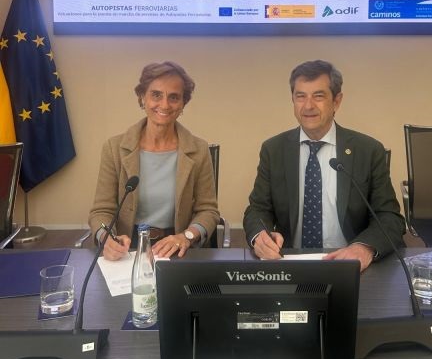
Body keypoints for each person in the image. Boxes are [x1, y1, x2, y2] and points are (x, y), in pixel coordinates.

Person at [243, 59, 405, 271]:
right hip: (291, 262)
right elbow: (257, 209)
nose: (308, 106)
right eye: (300, 96)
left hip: (350, 265)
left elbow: (389, 217)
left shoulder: (368, 150)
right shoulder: (273, 150)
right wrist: (260, 236)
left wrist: (363, 248)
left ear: (336, 101)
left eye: (318, 96)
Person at [89, 61, 220, 261]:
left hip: (178, 246)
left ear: (183, 104)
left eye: (174, 97)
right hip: (128, 246)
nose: (165, 105)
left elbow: (208, 210)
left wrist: (186, 236)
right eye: (156, 95)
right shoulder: (114, 148)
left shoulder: (199, 149)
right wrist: (106, 238)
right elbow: (101, 210)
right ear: (142, 97)